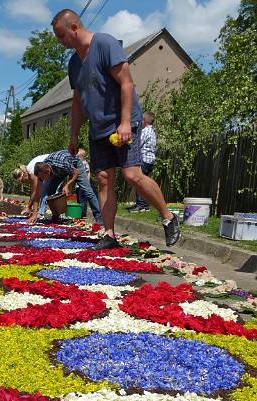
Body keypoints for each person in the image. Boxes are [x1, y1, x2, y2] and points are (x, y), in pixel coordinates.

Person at [51, 9, 179, 248]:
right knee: (103, 179)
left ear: (74, 28)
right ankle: (109, 235)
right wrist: (73, 134)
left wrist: (125, 121)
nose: (60, 42)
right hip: (97, 129)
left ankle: (168, 217)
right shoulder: (73, 64)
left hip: (122, 123)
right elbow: (77, 101)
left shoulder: (105, 44)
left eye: (61, 36)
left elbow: (127, 83)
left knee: (132, 175)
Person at [32, 150, 102, 224]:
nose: (43, 179)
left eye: (43, 177)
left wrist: (67, 185)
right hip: (58, 172)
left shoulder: (60, 164)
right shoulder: (42, 170)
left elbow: (75, 172)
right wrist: (34, 214)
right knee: (49, 193)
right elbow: (38, 193)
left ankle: (98, 217)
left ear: (47, 170)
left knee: (87, 190)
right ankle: (55, 216)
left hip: (75, 166)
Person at [128, 111, 156, 212]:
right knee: (146, 182)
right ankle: (145, 203)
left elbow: (137, 144)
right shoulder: (152, 131)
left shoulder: (145, 132)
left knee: (139, 182)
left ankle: (141, 204)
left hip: (143, 159)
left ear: (144, 121)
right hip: (150, 160)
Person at [12, 154, 48, 220]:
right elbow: (33, 192)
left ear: (24, 175)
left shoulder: (32, 172)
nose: (22, 183)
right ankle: (43, 213)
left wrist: (29, 207)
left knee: (45, 190)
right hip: (48, 167)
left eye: (21, 181)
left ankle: (41, 213)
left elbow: (35, 192)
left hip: (54, 166)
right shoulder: (30, 169)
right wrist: (29, 206)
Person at [76, 148, 93, 218]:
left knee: (83, 199)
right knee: (79, 199)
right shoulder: (78, 164)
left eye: (78, 157)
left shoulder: (85, 164)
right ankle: (78, 212)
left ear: (82, 157)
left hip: (83, 185)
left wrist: (87, 181)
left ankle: (83, 213)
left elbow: (88, 172)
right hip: (78, 185)